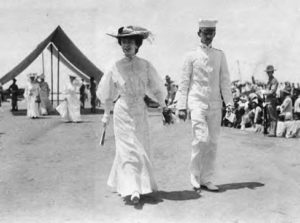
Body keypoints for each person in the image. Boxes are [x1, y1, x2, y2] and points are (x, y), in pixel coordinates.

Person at [97, 26, 167, 204]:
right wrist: (106, 115)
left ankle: (132, 183)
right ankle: (133, 188)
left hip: (140, 112)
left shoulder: (145, 65)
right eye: (123, 42)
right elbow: (107, 94)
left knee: (139, 148)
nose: (126, 45)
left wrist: (164, 106)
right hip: (122, 111)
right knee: (127, 149)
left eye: (130, 42)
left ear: (137, 44)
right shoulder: (115, 66)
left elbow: (156, 88)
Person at [176, 19, 233, 192]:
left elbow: (225, 80)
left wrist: (229, 102)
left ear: (214, 34)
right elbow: (184, 82)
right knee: (201, 139)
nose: (208, 36)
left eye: (211, 33)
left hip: (215, 104)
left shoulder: (219, 55)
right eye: (205, 32)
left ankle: (207, 178)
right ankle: (194, 175)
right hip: (197, 103)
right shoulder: (190, 56)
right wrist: (181, 106)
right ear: (198, 33)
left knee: (213, 142)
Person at [262, 65, 279, 137]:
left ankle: (273, 132)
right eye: (267, 72)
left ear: (272, 72)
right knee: (269, 116)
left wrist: (264, 92)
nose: (268, 73)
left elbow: (272, 91)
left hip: (271, 99)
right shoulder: (269, 80)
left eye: (269, 72)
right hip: (267, 100)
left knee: (272, 116)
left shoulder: (274, 81)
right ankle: (270, 130)